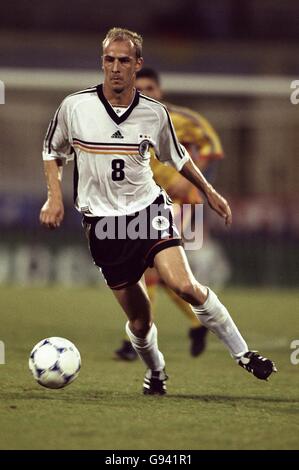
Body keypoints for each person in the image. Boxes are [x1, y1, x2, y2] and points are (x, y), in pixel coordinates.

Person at [40, 27, 277, 395]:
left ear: (137, 64)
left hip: (148, 211)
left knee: (185, 286)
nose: (115, 68)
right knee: (139, 321)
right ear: (102, 62)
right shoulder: (75, 107)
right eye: (109, 60)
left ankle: (244, 354)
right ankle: (156, 372)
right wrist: (53, 198)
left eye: (123, 60)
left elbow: (178, 157)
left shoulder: (154, 113)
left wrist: (209, 191)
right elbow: (52, 152)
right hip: (103, 226)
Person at [115, 67, 226, 361]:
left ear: (159, 91)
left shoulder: (182, 119)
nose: (145, 93)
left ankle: (135, 340)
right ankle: (196, 322)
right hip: (145, 204)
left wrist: (193, 178)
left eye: (150, 88)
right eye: (140, 88)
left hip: (181, 202)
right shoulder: (124, 122)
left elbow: (212, 148)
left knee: (147, 268)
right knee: (161, 275)